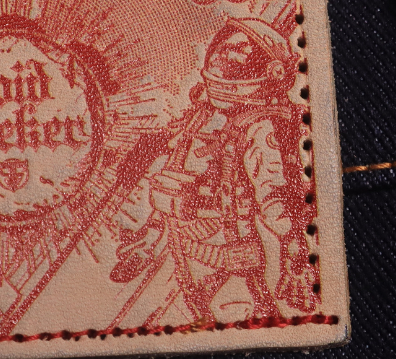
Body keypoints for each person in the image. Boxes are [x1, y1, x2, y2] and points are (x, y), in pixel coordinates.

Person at [109, 17, 317, 329]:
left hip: (232, 266)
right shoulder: (202, 116)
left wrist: (294, 249)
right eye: (221, 55)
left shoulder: (259, 128)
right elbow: (174, 165)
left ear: (267, 73)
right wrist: (148, 238)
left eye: (236, 60)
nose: (223, 62)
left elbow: (272, 196)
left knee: (238, 329)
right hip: (190, 259)